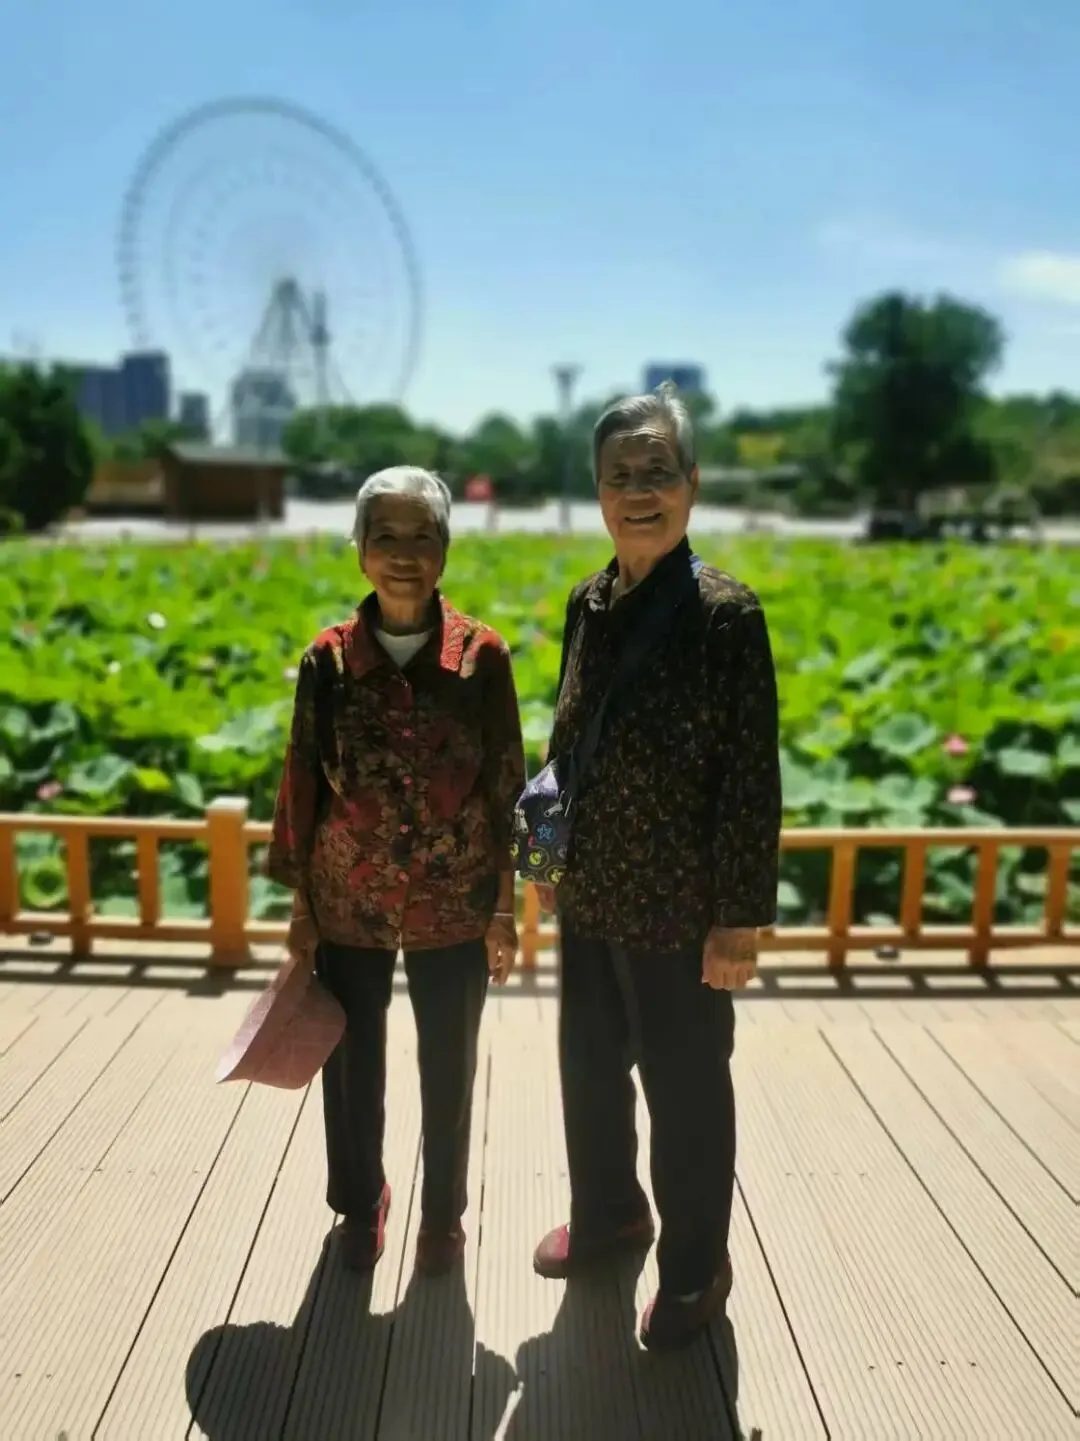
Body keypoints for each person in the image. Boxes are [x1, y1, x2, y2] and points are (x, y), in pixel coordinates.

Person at [531, 383, 782, 1352]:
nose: (640, 492)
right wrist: (542, 851)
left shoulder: (725, 614)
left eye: (658, 472)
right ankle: (608, 1214)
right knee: (589, 1068)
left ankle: (694, 1267)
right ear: (598, 491)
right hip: (593, 886)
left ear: (692, 484)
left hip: (681, 905)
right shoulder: (586, 602)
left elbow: (750, 776)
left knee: (686, 1091)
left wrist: (738, 917)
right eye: (620, 475)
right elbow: (566, 735)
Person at [267, 465, 525, 1278]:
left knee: (450, 1062)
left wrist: (505, 910)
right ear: (360, 550)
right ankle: (360, 1201)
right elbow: (300, 779)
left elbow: (507, 785)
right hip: (350, 896)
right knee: (351, 1062)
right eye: (386, 536)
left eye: (423, 535)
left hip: (457, 898)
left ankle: (443, 1215)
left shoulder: (482, 656)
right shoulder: (328, 659)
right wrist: (301, 910)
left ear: (445, 548)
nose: (405, 554)